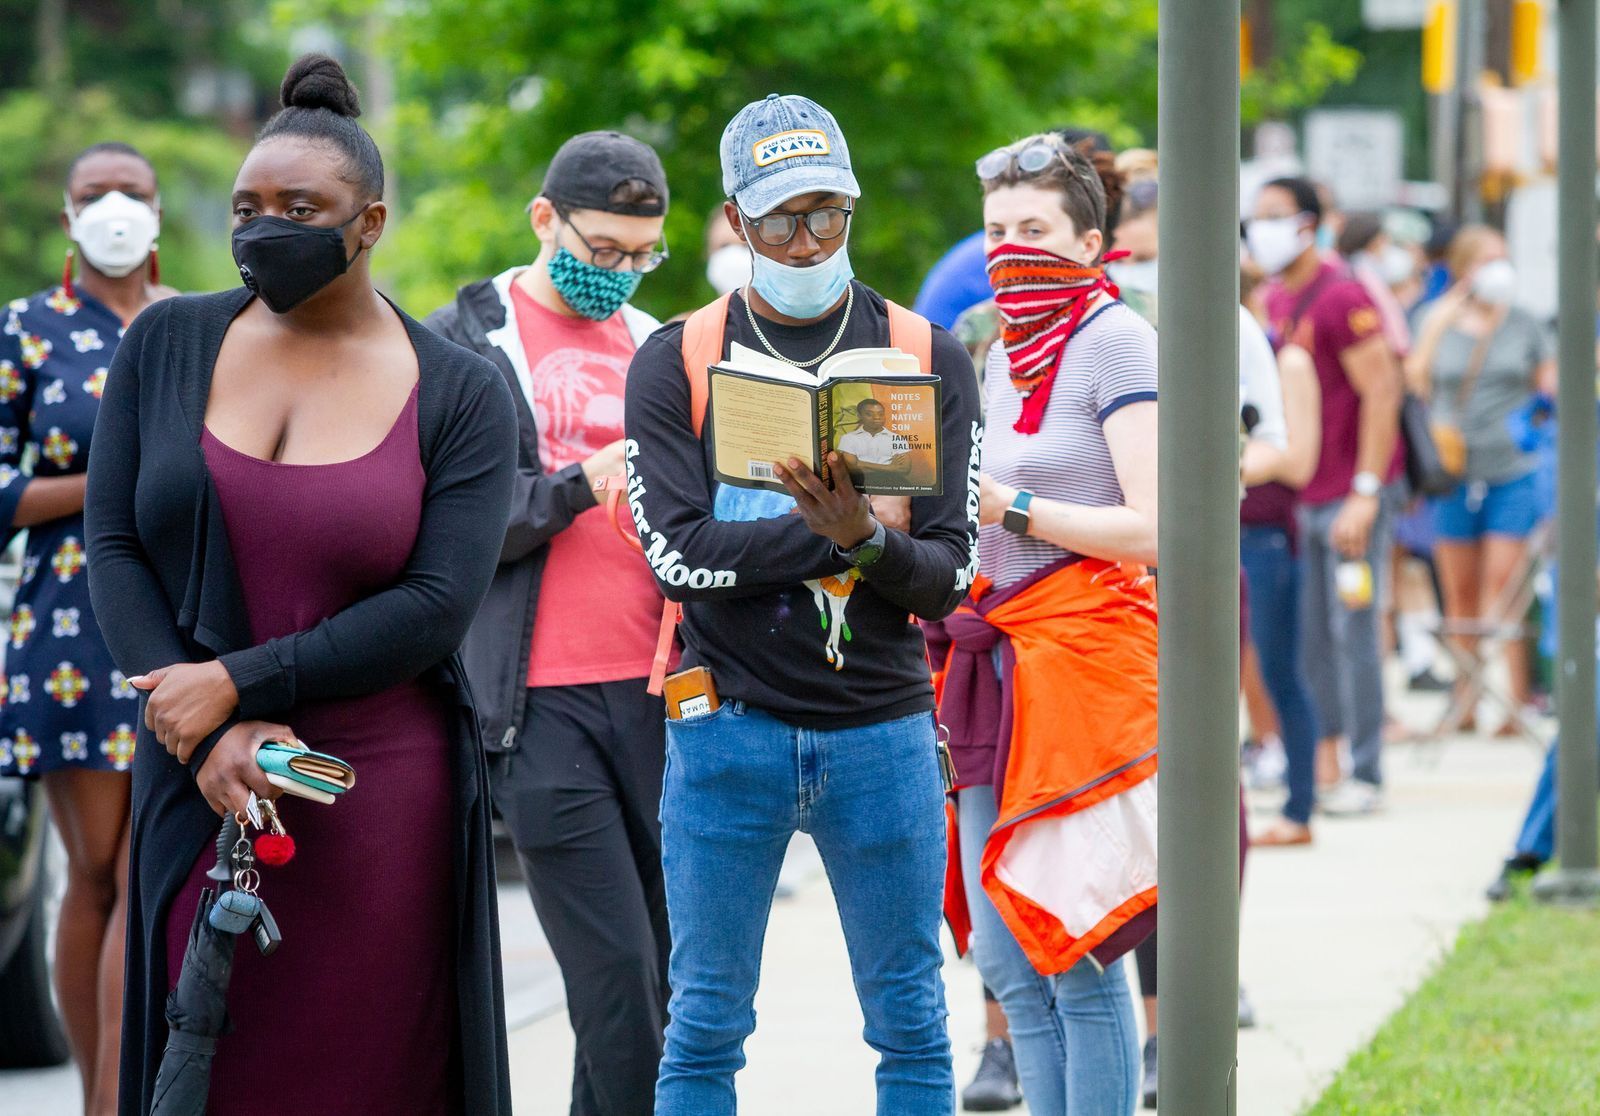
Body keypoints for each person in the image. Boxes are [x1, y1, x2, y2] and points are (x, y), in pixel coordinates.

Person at [85, 55, 518, 1116]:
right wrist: (201, 723)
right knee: (203, 1059)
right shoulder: (166, 343)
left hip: (371, 792)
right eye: (246, 207)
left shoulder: (459, 392)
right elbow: (114, 544)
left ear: (367, 222)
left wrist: (234, 684)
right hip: (201, 776)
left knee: (374, 1069)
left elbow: (433, 607)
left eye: (298, 208)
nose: (263, 227)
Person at [624, 92, 980, 1115]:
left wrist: (864, 542)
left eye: (830, 212)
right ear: (735, 220)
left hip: (884, 736)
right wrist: (826, 535)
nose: (809, 238)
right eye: (782, 218)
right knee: (702, 1023)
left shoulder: (923, 355)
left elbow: (951, 573)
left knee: (911, 1019)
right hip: (725, 733)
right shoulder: (680, 359)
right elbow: (675, 557)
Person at [425, 130, 673, 1116]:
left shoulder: (659, 340)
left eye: (639, 254)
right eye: (602, 249)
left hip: (664, 693)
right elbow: (455, 529)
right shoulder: (464, 342)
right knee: (616, 982)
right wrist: (577, 485)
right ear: (544, 219)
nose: (618, 272)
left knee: (655, 979)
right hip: (538, 708)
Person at [927, 131, 1158, 1116]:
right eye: (995, 230)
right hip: (992, 661)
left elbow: (1152, 527)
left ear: (1090, 239)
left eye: (1034, 230)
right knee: (1007, 954)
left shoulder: (1116, 338)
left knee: (1077, 952)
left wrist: (1004, 510)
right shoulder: (994, 343)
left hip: (1082, 660)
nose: (1010, 248)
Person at [0, 142, 173, 1116]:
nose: (116, 210)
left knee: (148, 863)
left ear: (156, 212)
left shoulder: (195, 322)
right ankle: (101, 1099)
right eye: (95, 196)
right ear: (66, 216)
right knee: (98, 870)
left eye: (135, 196)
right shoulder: (23, 332)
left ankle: (124, 1095)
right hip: (67, 625)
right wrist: (109, 487)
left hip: (175, 621)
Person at [1249, 176, 1406, 817]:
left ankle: (1367, 771)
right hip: (1305, 499)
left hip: (1351, 498)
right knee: (1312, 636)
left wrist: (1366, 493)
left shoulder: (1342, 296)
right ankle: (1328, 761)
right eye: (1256, 218)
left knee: (1354, 629)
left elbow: (1384, 389)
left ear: (1309, 224)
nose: (1262, 229)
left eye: (1275, 216)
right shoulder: (1281, 297)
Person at [1407, 226, 1555, 732]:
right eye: (1489, 259)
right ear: (1465, 268)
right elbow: (1415, 381)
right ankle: (1466, 700)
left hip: (1511, 469)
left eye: (1504, 259)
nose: (1499, 270)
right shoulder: (1437, 319)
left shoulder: (1524, 323)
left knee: (1504, 587)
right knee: (1459, 592)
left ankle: (1513, 702)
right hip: (1453, 471)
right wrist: (1439, 321)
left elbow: (1551, 383)